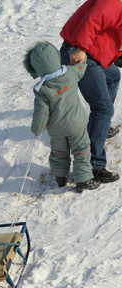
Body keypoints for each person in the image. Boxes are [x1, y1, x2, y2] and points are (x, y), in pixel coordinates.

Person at [23, 41, 100, 192]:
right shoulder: (70, 73)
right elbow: (81, 67)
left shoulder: (42, 89)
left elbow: (41, 112)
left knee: (58, 152)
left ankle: (60, 177)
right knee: (82, 150)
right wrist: (79, 60)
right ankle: (83, 180)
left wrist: (38, 128)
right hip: (77, 124)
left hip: (56, 129)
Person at [60, 0, 121, 183]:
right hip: (80, 54)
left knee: (114, 76)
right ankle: (94, 166)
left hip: (92, 54)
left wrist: (117, 55)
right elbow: (93, 20)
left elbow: (112, 31)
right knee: (103, 108)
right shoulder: (114, 1)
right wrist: (81, 47)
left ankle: (99, 128)